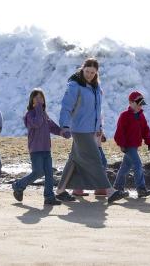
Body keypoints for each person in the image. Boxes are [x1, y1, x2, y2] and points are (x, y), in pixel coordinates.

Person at [57, 58, 127, 203]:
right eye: (87, 71)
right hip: (79, 129)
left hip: (91, 129)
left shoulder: (95, 87)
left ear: (96, 73)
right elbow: (66, 106)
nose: (89, 74)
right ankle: (110, 191)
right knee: (95, 158)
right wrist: (64, 125)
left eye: (92, 72)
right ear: (82, 69)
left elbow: (97, 110)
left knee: (73, 160)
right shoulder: (75, 85)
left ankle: (60, 191)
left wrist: (99, 128)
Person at [12, 88, 71, 205]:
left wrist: (62, 132)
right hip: (35, 149)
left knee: (49, 173)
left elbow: (53, 127)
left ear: (44, 100)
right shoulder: (29, 115)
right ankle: (18, 185)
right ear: (32, 100)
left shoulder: (44, 114)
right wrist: (38, 108)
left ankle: (49, 197)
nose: (39, 100)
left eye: (41, 98)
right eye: (36, 98)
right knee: (38, 172)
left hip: (46, 149)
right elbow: (37, 123)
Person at [113, 91, 150, 198]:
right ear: (131, 102)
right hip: (128, 146)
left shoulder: (141, 116)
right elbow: (119, 132)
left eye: (142, 104)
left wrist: (149, 142)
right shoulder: (124, 116)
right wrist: (121, 145)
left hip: (135, 146)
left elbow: (145, 130)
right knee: (138, 165)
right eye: (138, 104)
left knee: (125, 167)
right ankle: (141, 188)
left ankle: (117, 188)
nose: (140, 106)